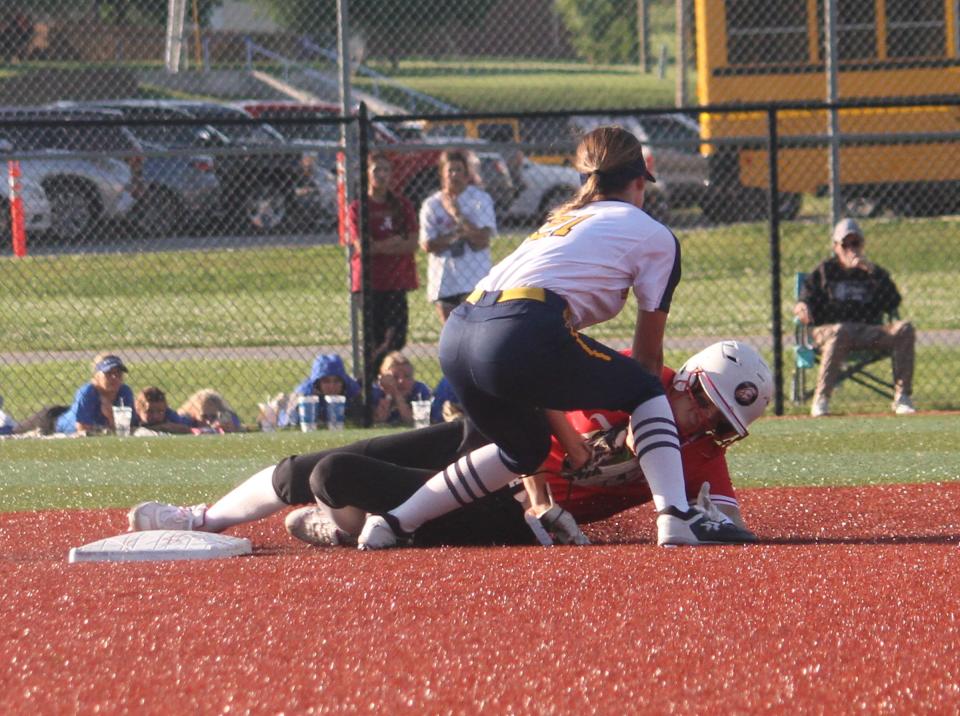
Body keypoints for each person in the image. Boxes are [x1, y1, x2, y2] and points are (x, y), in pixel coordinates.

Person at [358, 125, 754, 550]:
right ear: (639, 182)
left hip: (459, 331)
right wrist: (643, 424)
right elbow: (646, 360)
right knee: (644, 387)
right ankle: (675, 517)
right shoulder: (653, 234)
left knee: (522, 451)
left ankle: (394, 522)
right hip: (519, 325)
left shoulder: (562, 219)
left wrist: (574, 438)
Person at [126, 341, 771, 548]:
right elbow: (525, 384)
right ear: (685, 379)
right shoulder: (630, 375)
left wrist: (713, 522)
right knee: (307, 468)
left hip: (511, 518)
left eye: (718, 426)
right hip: (495, 447)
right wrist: (544, 488)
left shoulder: (702, 454)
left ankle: (349, 524)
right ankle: (200, 519)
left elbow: (731, 527)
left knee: (336, 477)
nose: (698, 428)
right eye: (700, 408)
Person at [794, 218, 916, 417]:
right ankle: (821, 399)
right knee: (841, 331)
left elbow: (893, 302)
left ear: (863, 244)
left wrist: (872, 272)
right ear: (836, 247)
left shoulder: (873, 272)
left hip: (867, 332)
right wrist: (801, 306)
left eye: (855, 243)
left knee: (905, 328)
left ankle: (902, 398)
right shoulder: (824, 271)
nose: (851, 249)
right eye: (845, 244)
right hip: (829, 332)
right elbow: (805, 298)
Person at [346, 153, 419, 368]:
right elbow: (364, 247)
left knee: (396, 339)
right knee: (373, 339)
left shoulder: (402, 205)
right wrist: (395, 241)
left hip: (396, 281)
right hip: (369, 282)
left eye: (386, 170)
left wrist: (382, 245)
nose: (382, 175)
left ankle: (373, 378)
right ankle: (371, 383)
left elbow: (412, 243)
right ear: (367, 174)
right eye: (377, 169)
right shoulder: (358, 208)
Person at [419, 150, 497, 323]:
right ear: (442, 173)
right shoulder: (431, 204)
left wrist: (457, 214)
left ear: (467, 173)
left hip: (474, 278)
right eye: (450, 170)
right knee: (450, 332)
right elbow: (428, 244)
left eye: (459, 170)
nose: (454, 175)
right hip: (444, 278)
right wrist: (459, 234)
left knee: (475, 329)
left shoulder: (480, 199)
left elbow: (482, 240)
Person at [50, 353, 137, 436]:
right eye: (108, 373)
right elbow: (82, 430)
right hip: (51, 424)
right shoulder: (87, 393)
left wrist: (111, 416)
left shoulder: (125, 392)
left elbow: (128, 429)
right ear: (96, 376)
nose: (114, 377)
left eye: (118, 373)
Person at [279, 353, 363, 429]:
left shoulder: (351, 389)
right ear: (317, 383)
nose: (332, 386)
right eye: (326, 381)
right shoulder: (305, 393)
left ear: (343, 381)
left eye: (337, 381)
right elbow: (288, 421)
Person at [371, 351, 431, 426]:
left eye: (407, 376)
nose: (401, 381)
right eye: (395, 376)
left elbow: (412, 421)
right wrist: (388, 395)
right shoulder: (375, 392)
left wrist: (396, 394)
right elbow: (378, 420)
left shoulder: (419, 390)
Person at [177, 389, 243, 433]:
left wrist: (232, 428)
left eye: (213, 416)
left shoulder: (226, 417)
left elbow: (237, 425)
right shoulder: (185, 420)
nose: (208, 422)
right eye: (204, 416)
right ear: (194, 414)